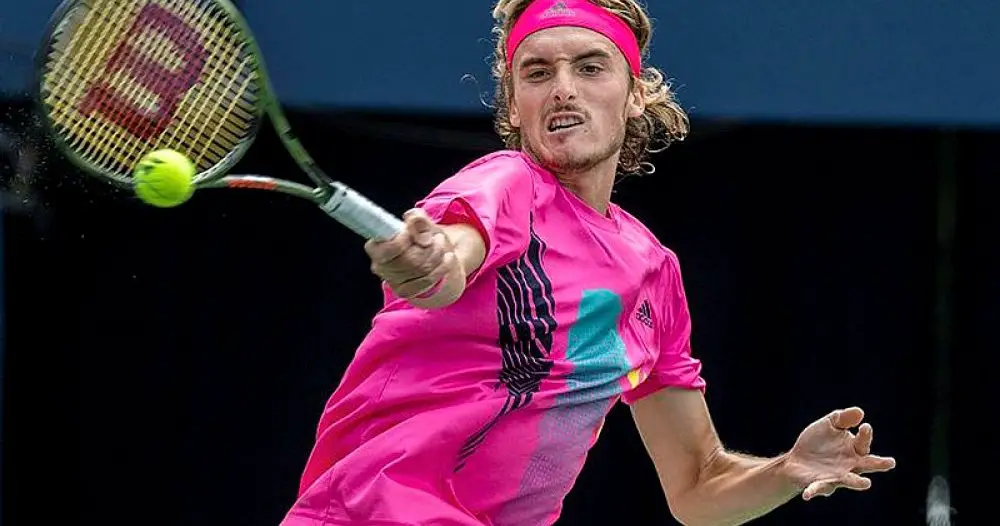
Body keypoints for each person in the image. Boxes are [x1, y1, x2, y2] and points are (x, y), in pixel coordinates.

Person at [281, 0, 896, 524]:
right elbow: (452, 259)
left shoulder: (653, 273)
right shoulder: (504, 184)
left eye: (590, 67)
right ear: (514, 105)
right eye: (537, 72)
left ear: (635, 94)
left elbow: (698, 485)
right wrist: (432, 262)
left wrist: (786, 470)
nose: (563, 88)